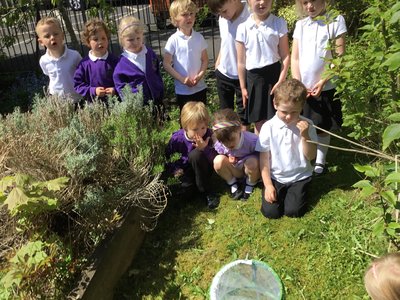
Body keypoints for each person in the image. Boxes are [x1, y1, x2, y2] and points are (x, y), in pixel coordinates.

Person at [291, 0, 347, 175]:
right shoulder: (301, 24)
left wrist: (323, 81)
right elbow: (295, 58)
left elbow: (339, 56)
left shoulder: (335, 21)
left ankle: (320, 161)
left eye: (313, 1)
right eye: (305, 2)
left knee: (323, 124)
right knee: (303, 123)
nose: (309, 6)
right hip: (303, 87)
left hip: (326, 86)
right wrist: (298, 82)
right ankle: (305, 155)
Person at [256, 79, 318, 219]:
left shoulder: (307, 125)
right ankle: (278, 192)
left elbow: (311, 156)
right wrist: (268, 185)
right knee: (271, 212)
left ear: (302, 107)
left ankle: (301, 190)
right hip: (276, 176)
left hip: (300, 176)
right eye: (284, 111)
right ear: (275, 104)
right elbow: (264, 160)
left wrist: (305, 136)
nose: (289, 117)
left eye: (294, 112)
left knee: (293, 211)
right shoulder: (268, 127)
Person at [236, 0, 290, 135]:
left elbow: (285, 55)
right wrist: (243, 87)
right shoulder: (242, 28)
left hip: (275, 76)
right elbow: (241, 62)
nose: (261, 2)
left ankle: (277, 152)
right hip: (254, 79)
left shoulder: (279, 23)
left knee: (279, 117)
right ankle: (262, 153)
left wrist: (281, 80)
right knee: (259, 121)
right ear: (248, 1)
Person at [165, 101, 220, 209]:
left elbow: (216, 157)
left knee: (195, 154)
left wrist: (204, 148)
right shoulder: (177, 139)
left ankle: (206, 191)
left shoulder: (209, 135)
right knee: (186, 194)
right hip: (186, 171)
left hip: (204, 168)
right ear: (185, 128)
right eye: (195, 129)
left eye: (203, 128)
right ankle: (194, 187)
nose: (200, 132)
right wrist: (175, 169)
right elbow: (168, 157)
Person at [207, 0, 250, 129]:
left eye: (224, 11)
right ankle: (227, 146)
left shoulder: (250, 16)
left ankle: (243, 146)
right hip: (224, 73)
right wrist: (218, 63)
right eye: (219, 14)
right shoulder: (223, 18)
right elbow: (225, 41)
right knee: (225, 116)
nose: (223, 16)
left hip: (243, 76)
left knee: (244, 117)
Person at [163, 0, 208, 110]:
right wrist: (182, 79)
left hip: (200, 87)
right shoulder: (173, 40)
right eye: (184, 15)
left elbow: (205, 60)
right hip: (183, 90)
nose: (189, 17)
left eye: (191, 13)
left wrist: (200, 76)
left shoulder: (199, 37)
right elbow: (166, 64)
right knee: (186, 120)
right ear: (175, 19)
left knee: (201, 117)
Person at [113, 16, 164, 107]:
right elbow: (120, 86)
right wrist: (132, 99)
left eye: (138, 38)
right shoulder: (122, 65)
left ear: (142, 36)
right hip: (139, 106)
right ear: (122, 40)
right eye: (130, 40)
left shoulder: (149, 53)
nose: (135, 42)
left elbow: (157, 71)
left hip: (157, 100)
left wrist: (159, 86)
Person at [213, 108, 260, 200]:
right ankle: (232, 182)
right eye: (224, 142)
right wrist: (229, 157)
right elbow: (222, 154)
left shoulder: (251, 140)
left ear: (239, 129)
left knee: (252, 162)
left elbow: (262, 156)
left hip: (250, 169)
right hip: (235, 169)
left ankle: (250, 183)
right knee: (218, 161)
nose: (229, 144)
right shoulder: (220, 143)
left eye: (232, 139)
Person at [36, 16, 82, 102]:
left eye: (56, 34)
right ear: (41, 42)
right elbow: (48, 74)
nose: (52, 37)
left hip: (76, 98)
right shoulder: (43, 60)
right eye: (47, 36)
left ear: (62, 36)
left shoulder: (74, 56)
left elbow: (83, 73)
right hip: (57, 100)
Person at [73, 18, 119, 103]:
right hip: (93, 106)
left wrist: (115, 89)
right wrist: (93, 91)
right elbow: (78, 85)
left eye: (103, 38)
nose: (100, 42)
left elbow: (123, 81)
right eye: (96, 39)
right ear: (88, 42)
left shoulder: (115, 60)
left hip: (114, 105)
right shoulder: (84, 64)